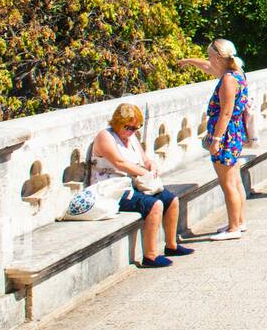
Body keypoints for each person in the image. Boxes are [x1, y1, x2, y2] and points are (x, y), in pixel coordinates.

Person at [91, 103, 193, 268]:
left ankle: (171, 245)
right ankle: (150, 256)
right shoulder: (105, 137)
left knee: (171, 199)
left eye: (135, 127)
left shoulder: (131, 138)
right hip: (112, 189)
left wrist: (150, 165)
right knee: (154, 205)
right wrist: (142, 172)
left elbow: (145, 159)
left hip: (134, 184)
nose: (132, 131)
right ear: (117, 122)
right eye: (128, 127)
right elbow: (119, 162)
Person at [181, 39, 249, 240]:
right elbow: (207, 67)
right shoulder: (237, 73)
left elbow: (225, 113)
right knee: (235, 180)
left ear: (219, 58)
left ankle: (233, 228)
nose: (208, 59)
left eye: (210, 55)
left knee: (227, 183)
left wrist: (216, 140)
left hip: (226, 134)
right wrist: (189, 61)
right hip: (234, 133)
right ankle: (239, 221)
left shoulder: (228, 80)